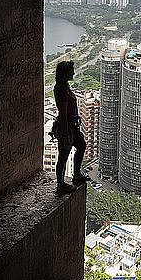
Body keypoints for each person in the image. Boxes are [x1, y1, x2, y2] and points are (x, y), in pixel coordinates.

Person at [54, 60, 87, 193]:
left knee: (81, 145)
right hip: (67, 127)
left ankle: (76, 174)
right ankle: (60, 184)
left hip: (72, 125)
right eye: (71, 71)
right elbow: (62, 114)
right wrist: (66, 135)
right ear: (65, 73)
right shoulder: (61, 89)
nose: (73, 72)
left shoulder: (65, 86)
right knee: (63, 154)